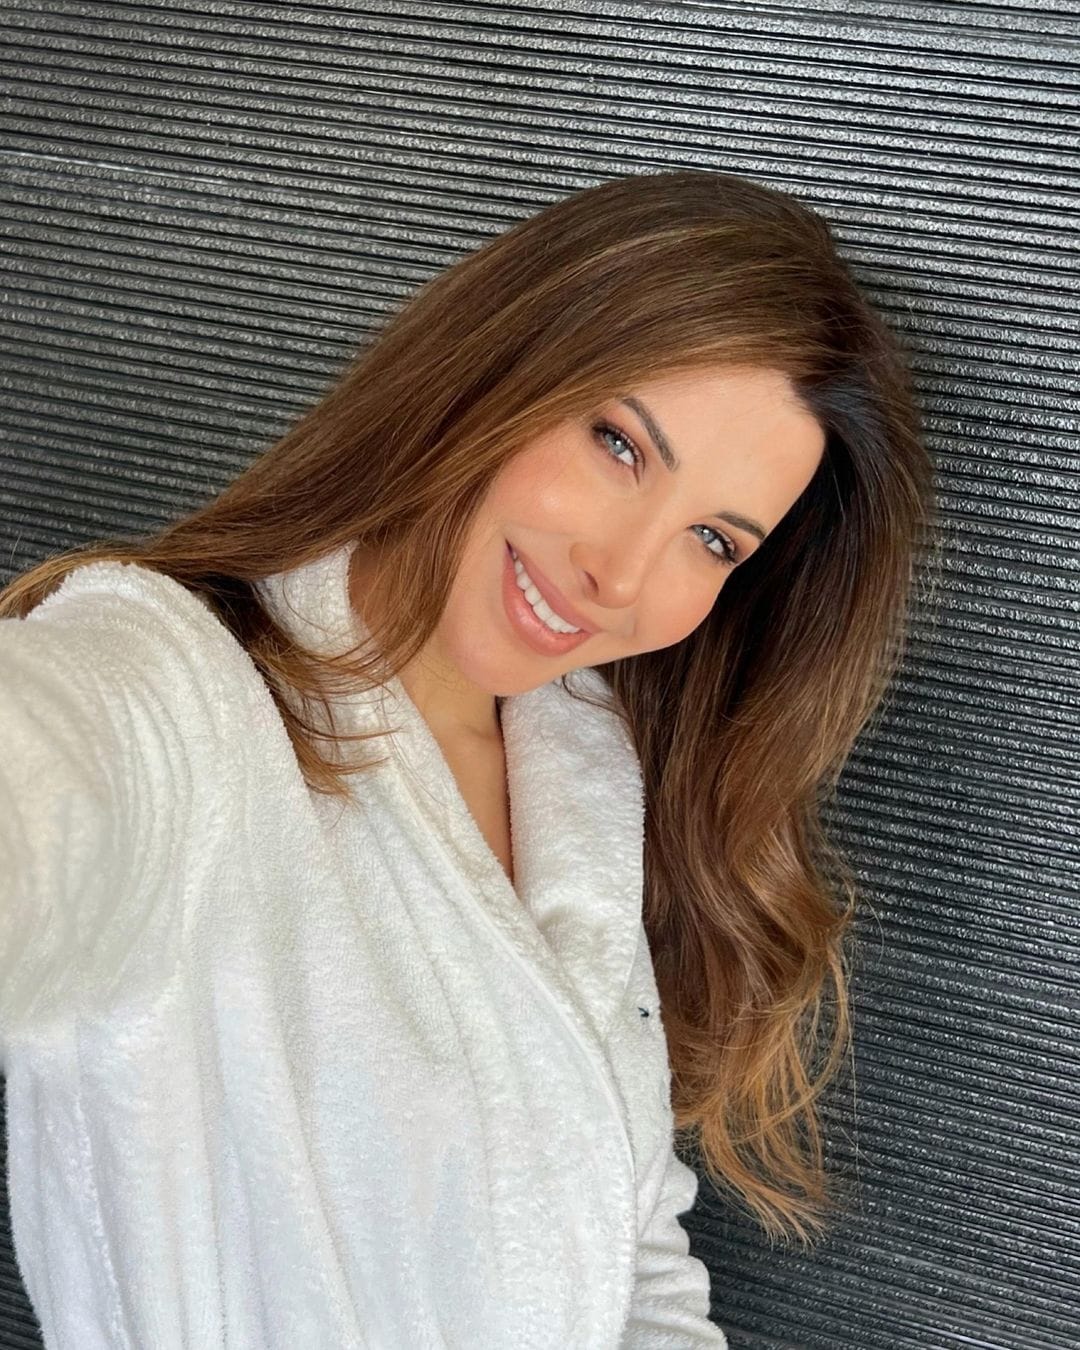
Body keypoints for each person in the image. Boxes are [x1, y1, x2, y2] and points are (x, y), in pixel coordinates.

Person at [0, 169, 937, 1348]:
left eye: (712, 539)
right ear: (497, 372)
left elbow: (632, 1259)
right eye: (619, 445)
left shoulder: (583, 774)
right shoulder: (174, 688)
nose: (622, 576)